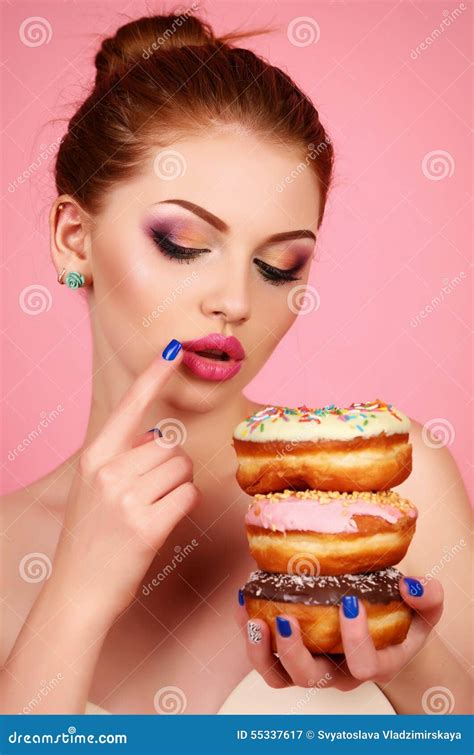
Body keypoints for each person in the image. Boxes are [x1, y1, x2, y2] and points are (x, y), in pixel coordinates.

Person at [0, 12, 471, 716]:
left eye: (281, 265)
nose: (235, 300)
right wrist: (71, 594)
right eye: (184, 244)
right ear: (74, 239)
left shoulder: (389, 488)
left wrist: (411, 663)